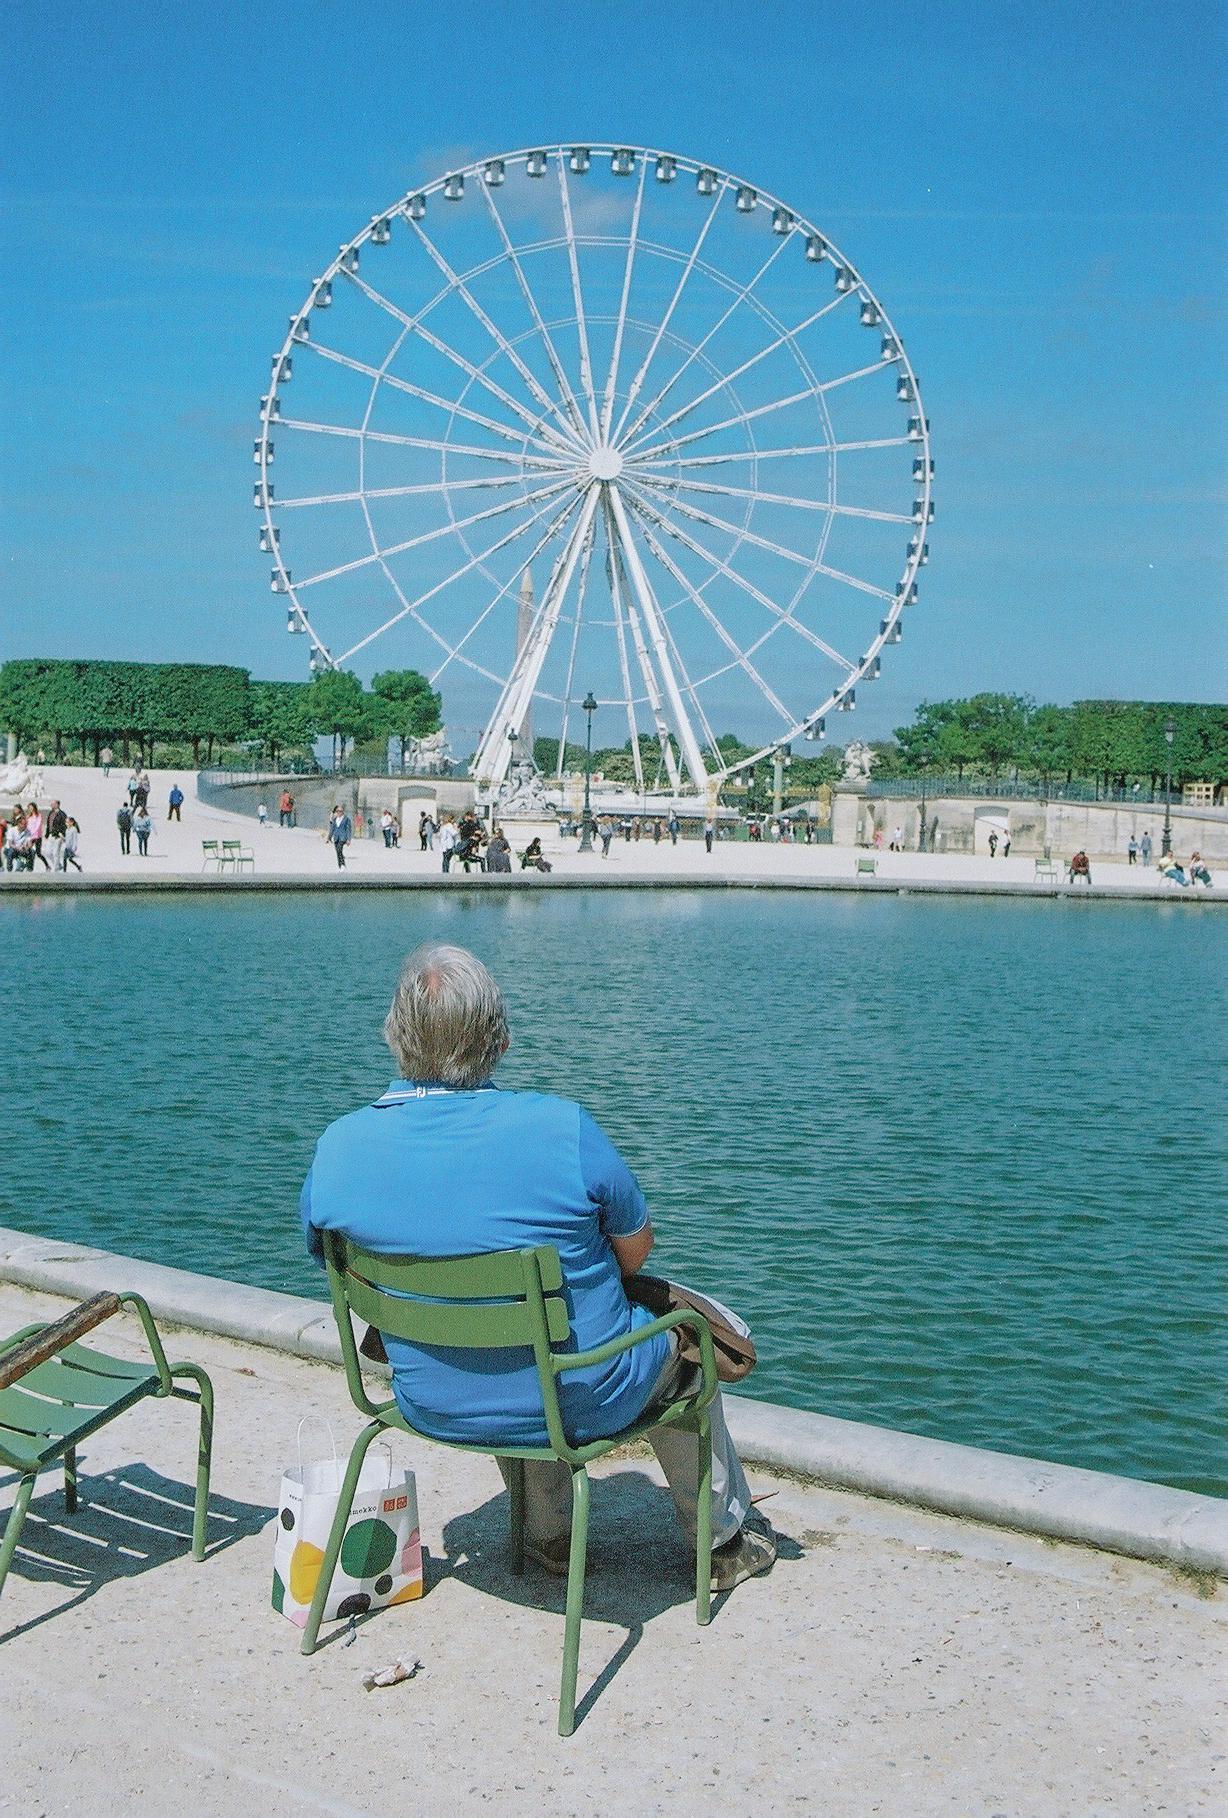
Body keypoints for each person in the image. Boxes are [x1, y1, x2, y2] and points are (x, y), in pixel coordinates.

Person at [300, 943, 775, 1591]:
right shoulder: (562, 1129)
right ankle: (719, 1543)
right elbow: (636, 1252)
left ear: (396, 1035)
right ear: (497, 1037)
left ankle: (547, 1535)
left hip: (429, 1393)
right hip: (579, 1396)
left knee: (498, 1334)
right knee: (689, 1344)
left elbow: (339, 1268)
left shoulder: (338, 1148)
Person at [24, 803, 50, 871]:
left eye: (31, 807)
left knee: (38, 853)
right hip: (30, 836)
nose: (30, 809)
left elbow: (38, 826)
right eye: (29, 808)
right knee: (28, 852)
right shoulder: (28, 817)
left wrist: (32, 834)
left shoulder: (39, 816)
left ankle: (47, 865)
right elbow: (26, 826)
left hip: (37, 836)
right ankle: (29, 867)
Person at [45, 800, 67, 871]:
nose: (51, 805)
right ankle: (58, 864)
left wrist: (62, 835)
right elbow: (48, 824)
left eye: (53, 804)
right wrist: (47, 834)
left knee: (55, 852)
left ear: (57, 804)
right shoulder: (51, 813)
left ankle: (56, 868)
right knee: (47, 852)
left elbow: (64, 825)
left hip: (58, 836)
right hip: (51, 835)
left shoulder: (62, 814)